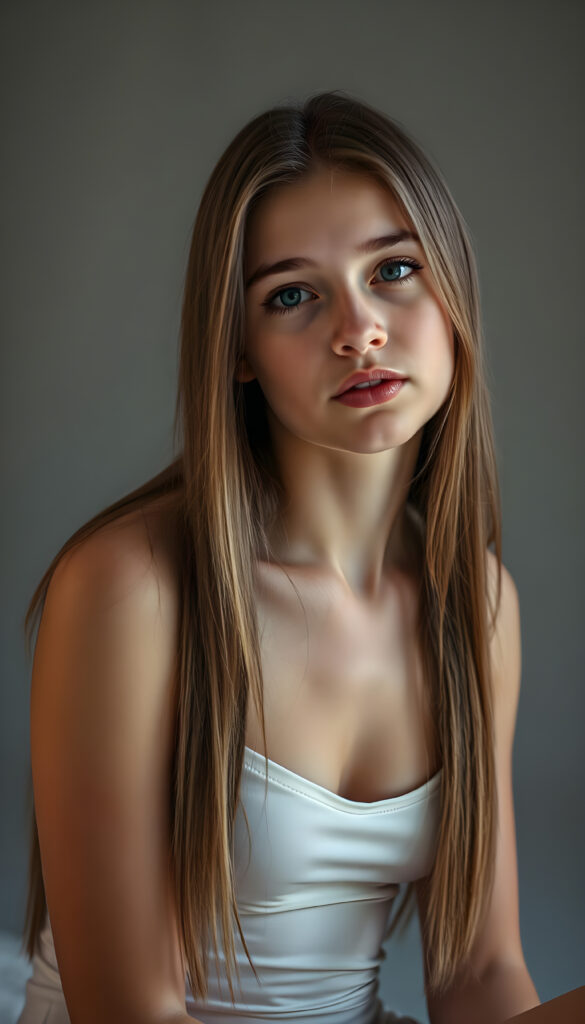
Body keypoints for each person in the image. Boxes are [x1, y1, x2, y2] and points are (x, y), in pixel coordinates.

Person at [16, 91, 540, 1024]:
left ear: (453, 291)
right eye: (292, 295)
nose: (358, 329)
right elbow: (127, 1009)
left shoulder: (476, 605)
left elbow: (479, 976)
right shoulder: (131, 587)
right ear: (239, 351)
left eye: (394, 269)